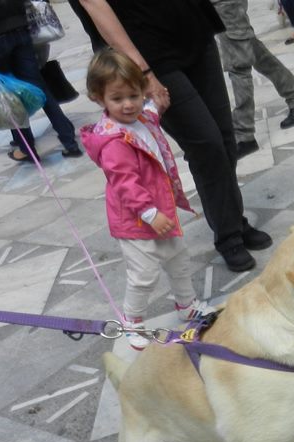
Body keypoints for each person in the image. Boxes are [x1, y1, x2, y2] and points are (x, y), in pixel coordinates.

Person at [78, 0, 272, 273]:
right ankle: (228, 235)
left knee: (225, 137)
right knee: (206, 143)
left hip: (191, 27)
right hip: (145, 51)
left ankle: (233, 221)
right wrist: (142, 70)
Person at [81, 49, 211, 350]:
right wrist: (150, 214)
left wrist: (157, 103)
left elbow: (147, 116)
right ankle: (132, 321)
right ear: (99, 99)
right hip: (137, 220)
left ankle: (187, 305)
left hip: (161, 211)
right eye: (117, 99)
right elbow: (125, 183)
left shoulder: (140, 118)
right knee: (143, 275)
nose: (128, 105)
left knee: (179, 260)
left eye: (134, 95)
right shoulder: (113, 142)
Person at [211, 0, 294, 159]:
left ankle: (243, 134)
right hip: (218, 6)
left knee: (238, 65)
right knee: (255, 52)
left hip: (224, 4)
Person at [0, 0, 82, 162]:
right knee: (37, 84)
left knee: (6, 94)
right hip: (18, 24)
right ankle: (68, 140)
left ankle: (26, 146)